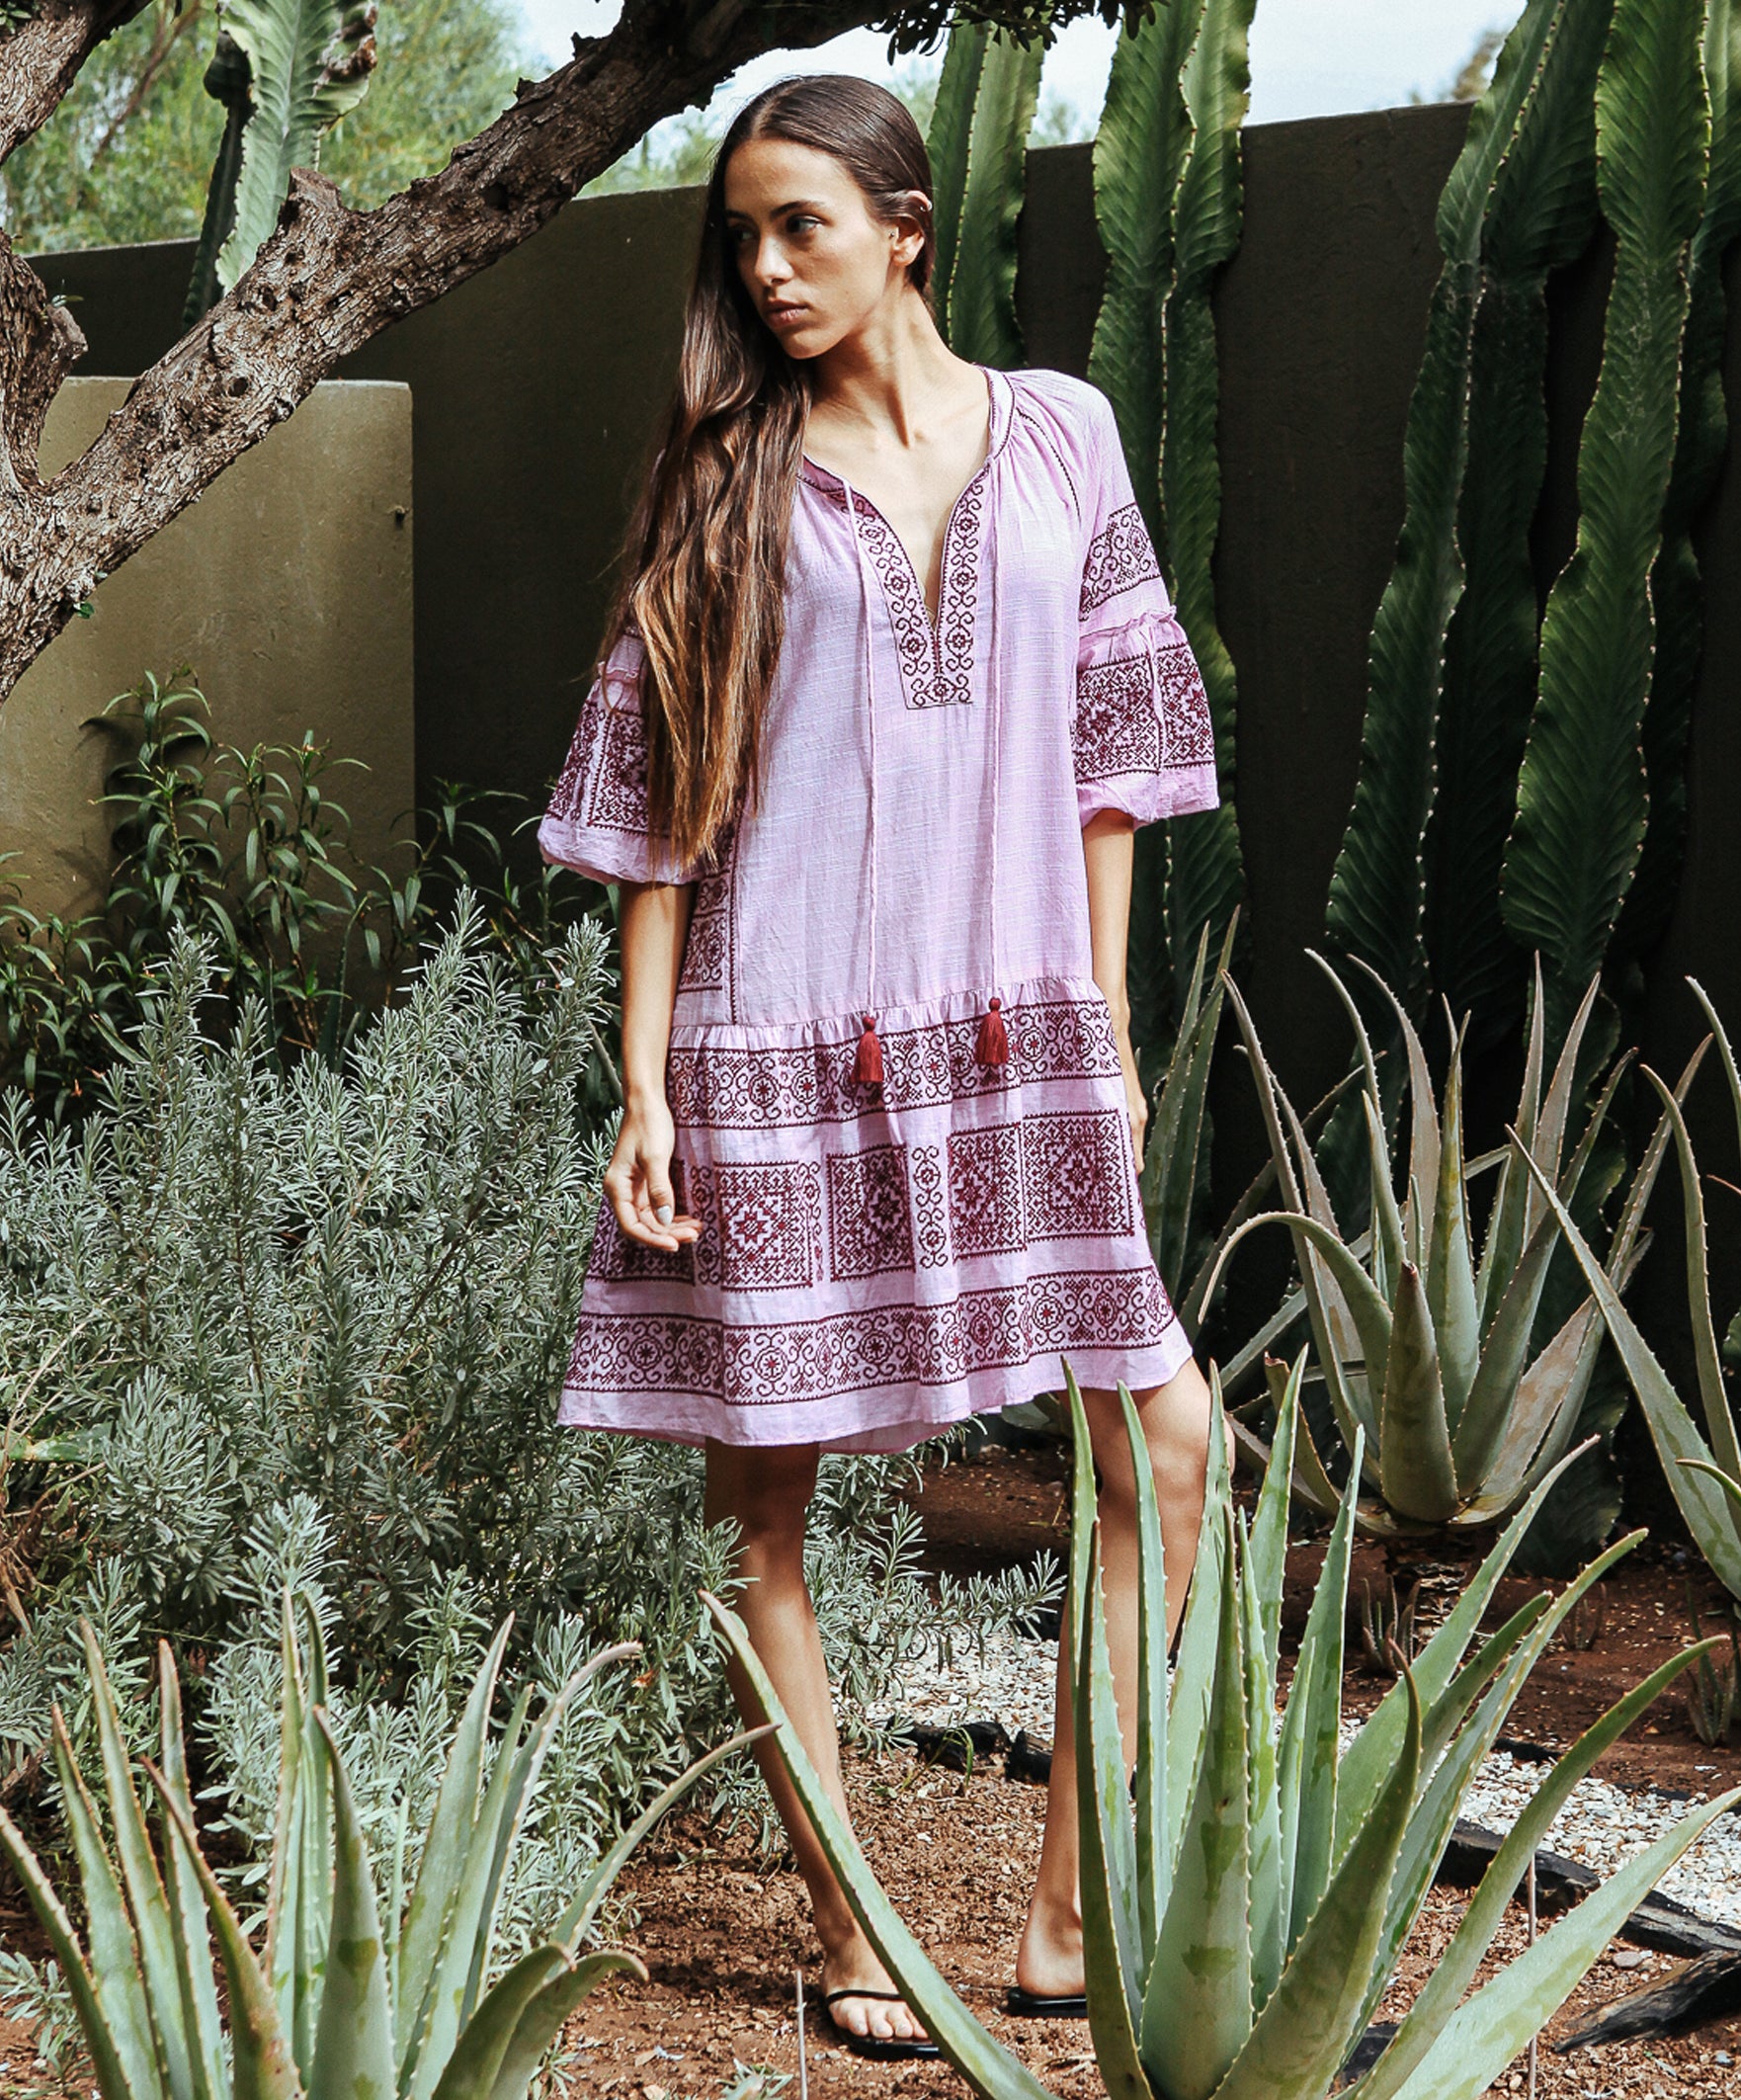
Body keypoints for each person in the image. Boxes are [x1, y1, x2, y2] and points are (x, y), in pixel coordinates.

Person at [539, 72, 1222, 2062]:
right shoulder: (726, 479)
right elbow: (663, 809)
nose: (761, 271)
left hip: (1014, 1039)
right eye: (737, 240)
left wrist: (1099, 1031)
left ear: (905, 226)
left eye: (798, 229)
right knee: (757, 1515)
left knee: (1163, 1449)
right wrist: (649, 1086)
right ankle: (853, 1939)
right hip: (775, 1049)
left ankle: (1061, 1918)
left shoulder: (1066, 433)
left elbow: (1112, 757)